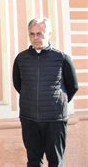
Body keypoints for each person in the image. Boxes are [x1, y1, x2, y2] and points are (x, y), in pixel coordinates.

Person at [13, 17, 78, 167]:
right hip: (29, 118)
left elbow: (72, 86)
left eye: (40, 33)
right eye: (32, 34)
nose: (35, 38)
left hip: (54, 119)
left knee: (55, 161)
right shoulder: (21, 59)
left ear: (49, 34)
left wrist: (55, 102)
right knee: (34, 161)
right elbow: (18, 84)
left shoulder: (62, 58)